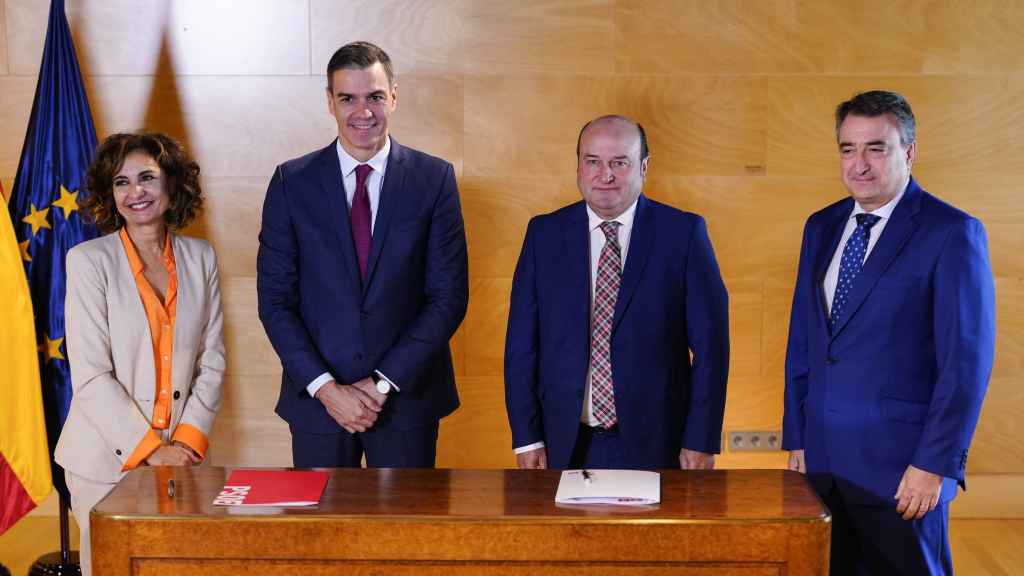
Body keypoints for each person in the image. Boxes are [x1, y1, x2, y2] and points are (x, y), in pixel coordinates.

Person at [782, 90, 995, 575]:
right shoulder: (822, 226)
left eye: (876, 148)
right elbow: (805, 342)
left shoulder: (951, 232)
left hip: (902, 473)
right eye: (848, 149)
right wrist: (798, 438)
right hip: (822, 465)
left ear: (909, 153)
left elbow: (965, 365)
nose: (859, 164)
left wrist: (934, 465)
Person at [257, 41, 468, 468]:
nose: (363, 111)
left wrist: (382, 384)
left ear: (393, 95)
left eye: (374, 96)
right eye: (347, 98)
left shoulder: (434, 179)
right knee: (324, 535)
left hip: (408, 400)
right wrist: (327, 389)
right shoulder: (290, 182)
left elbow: (448, 297)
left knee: (404, 534)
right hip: (319, 402)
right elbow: (276, 301)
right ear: (330, 103)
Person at [504, 115, 729, 470]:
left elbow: (712, 348)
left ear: (644, 166)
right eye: (592, 161)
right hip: (563, 443)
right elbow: (521, 346)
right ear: (578, 166)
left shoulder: (683, 234)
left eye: (619, 162)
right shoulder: (543, 235)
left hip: (660, 443)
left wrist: (701, 439)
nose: (604, 174)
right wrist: (526, 437)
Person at [55, 132, 224, 576]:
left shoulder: (200, 257)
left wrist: (185, 444)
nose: (135, 193)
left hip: (182, 456)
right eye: (121, 182)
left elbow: (213, 359)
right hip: (104, 462)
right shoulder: (88, 261)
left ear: (172, 184)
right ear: (110, 195)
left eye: (147, 178)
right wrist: (151, 451)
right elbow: (91, 375)